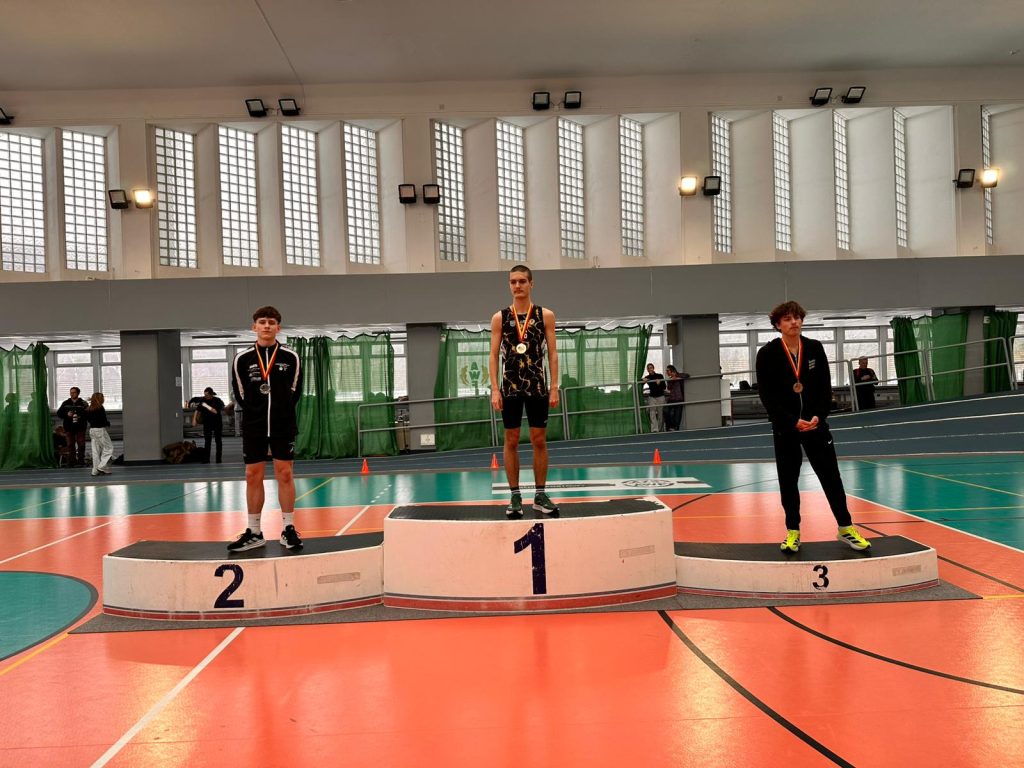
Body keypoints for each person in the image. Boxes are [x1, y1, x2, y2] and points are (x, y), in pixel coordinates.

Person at [756, 300, 871, 553]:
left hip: (816, 426)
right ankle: (793, 531)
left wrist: (819, 415)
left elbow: (824, 387)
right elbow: (767, 395)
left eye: (797, 318)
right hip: (786, 429)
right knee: (788, 481)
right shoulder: (767, 354)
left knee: (831, 477)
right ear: (778, 324)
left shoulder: (815, 348)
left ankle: (845, 528)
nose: (794, 322)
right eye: (788, 319)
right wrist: (790, 421)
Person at [227, 306, 304, 552]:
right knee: (252, 475)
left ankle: (288, 528)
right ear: (254, 327)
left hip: (283, 424)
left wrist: (280, 411)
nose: (267, 326)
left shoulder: (291, 357)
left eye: (271, 322)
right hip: (254, 425)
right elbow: (240, 393)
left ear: (278, 327)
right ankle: (254, 531)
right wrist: (256, 413)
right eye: (262, 322)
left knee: (285, 474)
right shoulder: (242, 359)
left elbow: (295, 391)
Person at [489, 264, 560, 518]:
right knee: (511, 440)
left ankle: (540, 495)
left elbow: (552, 353)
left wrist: (554, 386)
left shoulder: (545, 315)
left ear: (531, 283)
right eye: (513, 282)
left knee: (538, 439)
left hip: (537, 386)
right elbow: (493, 355)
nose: (517, 286)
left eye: (522, 281)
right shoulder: (500, 318)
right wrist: (494, 389)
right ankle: (515, 496)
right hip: (510, 387)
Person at [56, 387, 89, 467]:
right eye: (71, 392)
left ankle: (81, 461)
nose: (72, 394)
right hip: (69, 427)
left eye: (74, 392)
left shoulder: (83, 403)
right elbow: (59, 413)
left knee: (81, 444)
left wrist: (80, 416)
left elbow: (88, 414)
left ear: (78, 393)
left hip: (80, 427)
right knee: (70, 444)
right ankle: (72, 461)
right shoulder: (65, 403)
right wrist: (67, 414)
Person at [85, 392, 113, 476]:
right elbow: (103, 420)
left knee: (95, 451)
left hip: (92, 430)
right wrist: (107, 423)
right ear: (100, 399)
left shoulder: (89, 408)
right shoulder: (100, 408)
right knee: (109, 448)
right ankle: (101, 466)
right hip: (100, 430)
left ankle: (95, 470)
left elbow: (89, 420)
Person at [194, 387, 225, 463]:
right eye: (204, 394)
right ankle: (206, 459)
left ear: (211, 394)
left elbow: (215, 411)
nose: (205, 396)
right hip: (207, 423)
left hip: (217, 423)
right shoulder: (203, 400)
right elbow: (197, 410)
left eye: (207, 395)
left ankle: (218, 459)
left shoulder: (217, 400)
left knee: (218, 441)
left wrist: (206, 406)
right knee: (207, 441)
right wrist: (194, 420)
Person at [663, 365, 688, 431]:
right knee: (666, 411)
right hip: (671, 399)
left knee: (677, 415)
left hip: (679, 399)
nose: (666, 372)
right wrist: (672, 380)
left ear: (672, 371)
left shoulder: (679, 375)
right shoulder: (669, 379)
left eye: (668, 371)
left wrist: (677, 377)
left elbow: (687, 375)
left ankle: (676, 428)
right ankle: (669, 427)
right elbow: (669, 388)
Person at [643, 363, 667, 433]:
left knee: (660, 413)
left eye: (651, 367)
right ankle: (654, 429)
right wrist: (643, 381)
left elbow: (664, 387)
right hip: (652, 397)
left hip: (660, 396)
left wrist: (659, 383)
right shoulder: (647, 377)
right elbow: (641, 382)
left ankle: (660, 429)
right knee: (652, 413)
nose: (650, 369)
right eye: (648, 368)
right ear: (647, 370)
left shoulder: (660, 376)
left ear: (653, 368)